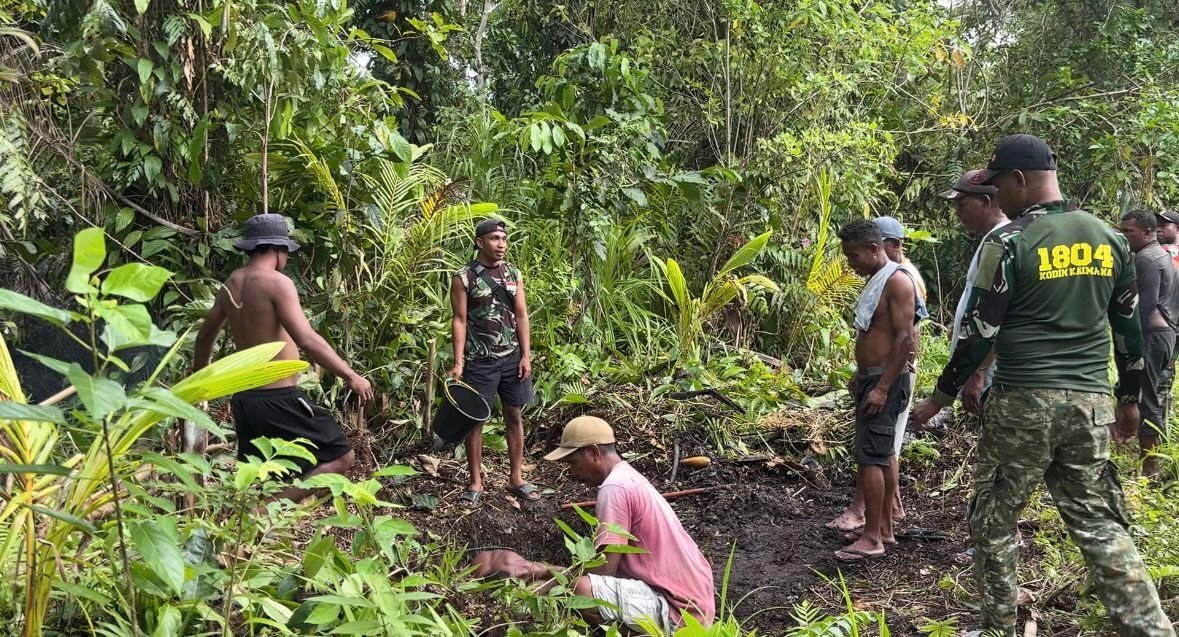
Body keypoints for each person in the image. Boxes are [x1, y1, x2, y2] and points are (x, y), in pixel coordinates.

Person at [910, 134, 1174, 637]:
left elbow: (980, 332)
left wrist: (940, 396)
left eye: (998, 187)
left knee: (993, 522)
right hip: (1090, 405)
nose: (997, 197)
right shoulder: (1110, 238)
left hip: (1023, 403)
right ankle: (1151, 630)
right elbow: (1129, 330)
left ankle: (998, 629)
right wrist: (1130, 399)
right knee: (1100, 526)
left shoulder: (1009, 242)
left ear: (1019, 180)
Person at [471, 416, 716, 631]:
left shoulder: (615, 487)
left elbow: (603, 572)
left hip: (678, 613)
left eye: (573, 462)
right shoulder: (629, 478)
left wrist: (542, 573)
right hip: (693, 604)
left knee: (580, 591)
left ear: (594, 452)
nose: (571, 472)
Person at [192, 214, 373, 501]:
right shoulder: (277, 283)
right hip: (278, 399)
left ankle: (257, 521)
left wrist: (197, 386)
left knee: (269, 473)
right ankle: (264, 510)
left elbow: (204, 337)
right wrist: (350, 375)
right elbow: (307, 339)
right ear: (278, 250)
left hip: (245, 402)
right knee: (341, 457)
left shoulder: (231, 283)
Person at [826, 216, 927, 533]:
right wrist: (862, 374)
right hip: (873, 375)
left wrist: (882, 387)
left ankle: (872, 536)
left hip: (886, 379)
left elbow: (906, 337)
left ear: (874, 248)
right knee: (882, 454)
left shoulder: (898, 280)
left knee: (871, 458)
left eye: (853, 256)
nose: (850, 263)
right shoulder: (878, 279)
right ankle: (883, 529)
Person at [449, 218, 537, 507]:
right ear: (480, 242)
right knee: (475, 421)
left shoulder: (513, 273)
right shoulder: (464, 277)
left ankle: (516, 478)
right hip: (480, 361)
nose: (501, 244)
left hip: (511, 358)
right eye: (495, 239)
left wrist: (525, 355)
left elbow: (521, 315)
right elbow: (459, 320)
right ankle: (475, 482)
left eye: (504, 239)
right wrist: (459, 362)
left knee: (514, 415)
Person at [937, 170, 1010, 415]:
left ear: (986, 202)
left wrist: (978, 371)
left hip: (989, 368)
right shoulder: (992, 238)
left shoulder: (1001, 241)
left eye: (963, 204)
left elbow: (996, 313)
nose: (958, 212)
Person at [1118, 209, 1178, 477]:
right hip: (1165, 333)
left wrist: (1132, 346)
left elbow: (1143, 308)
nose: (1124, 236)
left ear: (1146, 232)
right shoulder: (1160, 256)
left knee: (1147, 399)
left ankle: (1150, 470)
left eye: (1129, 232)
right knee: (1150, 396)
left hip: (1152, 336)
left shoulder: (1147, 259)